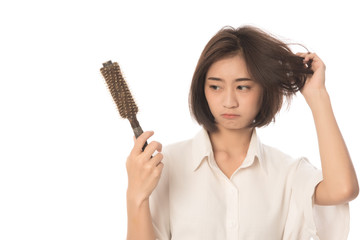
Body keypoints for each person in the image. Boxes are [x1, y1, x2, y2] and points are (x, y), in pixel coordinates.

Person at [125, 26, 359, 240]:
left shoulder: (287, 173)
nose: (229, 101)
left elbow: (343, 189)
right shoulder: (165, 166)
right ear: (201, 89)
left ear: (264, 90)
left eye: (242, 87)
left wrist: (318, 97)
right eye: (215, 86)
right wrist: (136, 195)